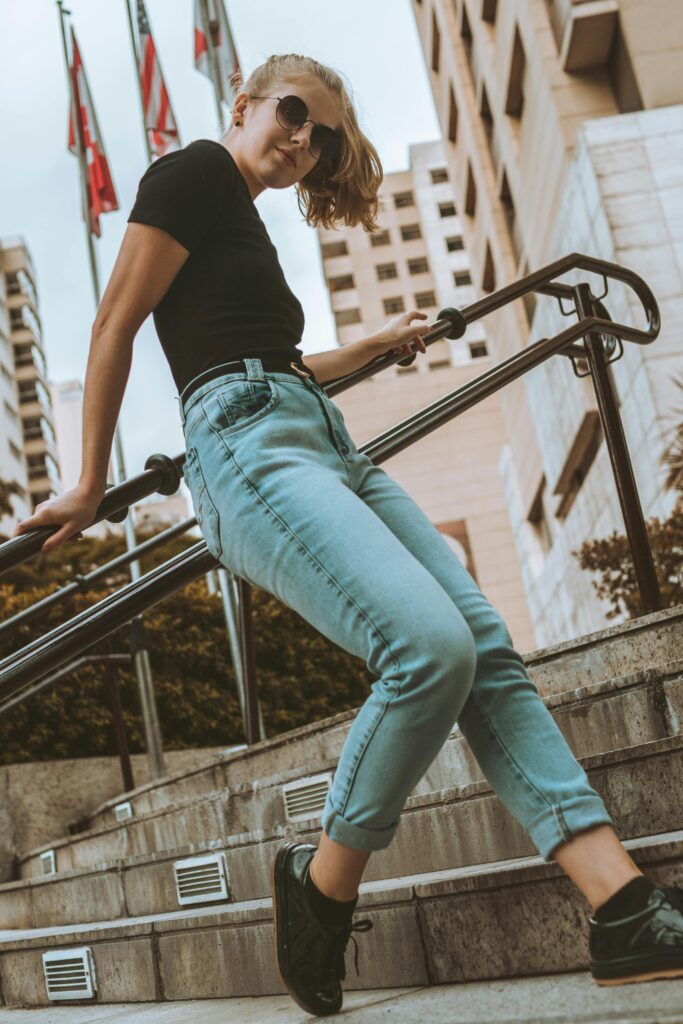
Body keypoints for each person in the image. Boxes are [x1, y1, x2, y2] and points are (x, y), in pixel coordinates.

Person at [12, 52, 683, 1019]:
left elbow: (266, 356)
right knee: (428, 648)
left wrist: (368, 348)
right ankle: (322, 882)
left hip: (315, 435)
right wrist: (85, 484)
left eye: (321, 136)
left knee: (482, 646)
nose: (303, 140)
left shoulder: (241, 218)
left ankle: (619, 905)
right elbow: (115, 322)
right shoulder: (193, 171)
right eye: (292, 114)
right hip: (246, 448)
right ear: (242, 102)